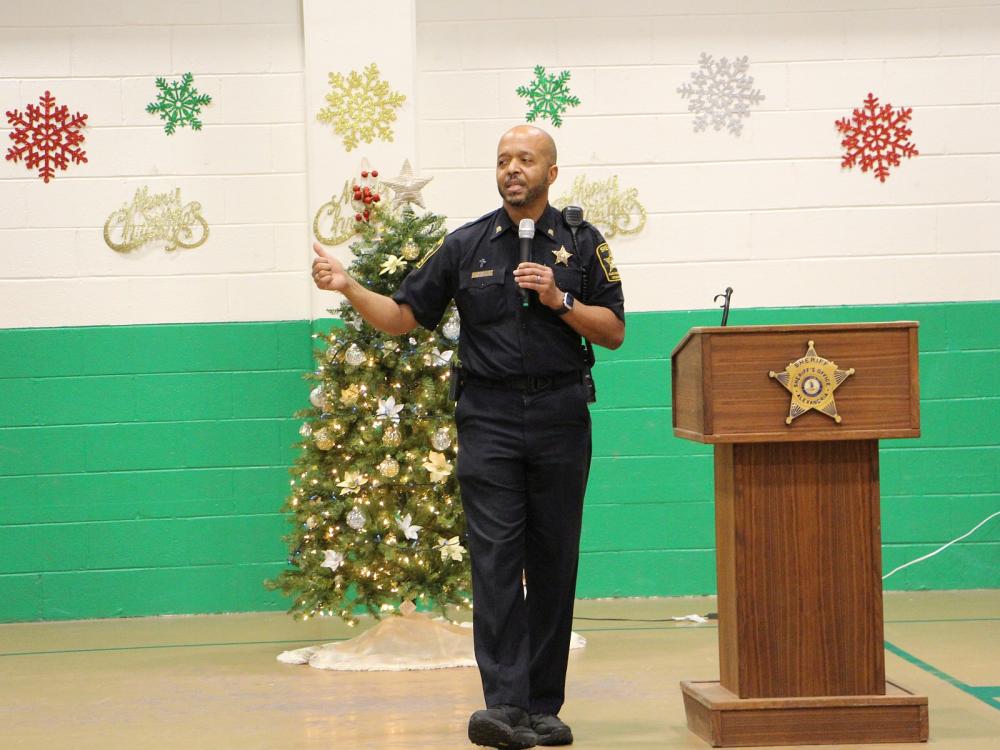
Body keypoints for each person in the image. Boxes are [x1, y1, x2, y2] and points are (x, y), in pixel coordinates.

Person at [311, 124, 625, 749]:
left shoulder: (584, 243)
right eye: (504, 160)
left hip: (562, 414)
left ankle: (544, 707)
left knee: (554, 561)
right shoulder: (466, 244)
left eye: (526, 160)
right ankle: (505, 707)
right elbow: (403, 318)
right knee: (497, 561)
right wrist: (348, 286)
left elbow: (613, 330)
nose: (513, 169)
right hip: (489, 418)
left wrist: (559, 299)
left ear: (551, 174)